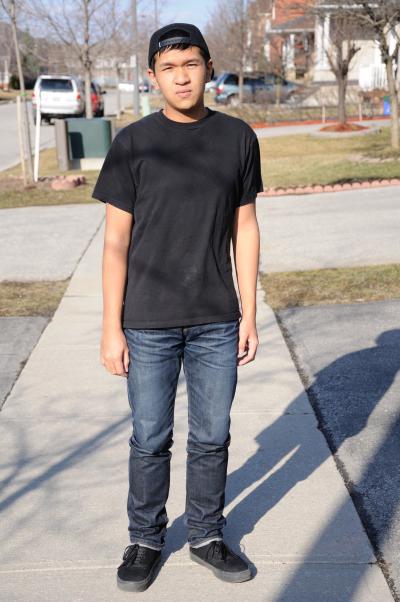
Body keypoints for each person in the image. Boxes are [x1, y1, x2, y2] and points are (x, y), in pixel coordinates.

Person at [91, 22, 263, 593]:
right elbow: (115, 242)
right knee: (150, 436)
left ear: (209, 67)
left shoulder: (237, 138)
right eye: (168, 68)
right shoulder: (133, 143)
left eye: (191, 64)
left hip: (216, 317)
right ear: (152, 77)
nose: (181, 77)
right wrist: (110, 327)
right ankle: (145, 540)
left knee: (212, 436)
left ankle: (207, 536)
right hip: (147, 320)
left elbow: (245, 227)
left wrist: (249, 313)